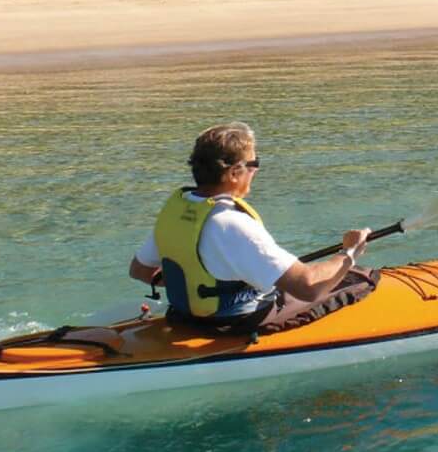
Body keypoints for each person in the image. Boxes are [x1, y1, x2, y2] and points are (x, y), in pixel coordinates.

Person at [130, 122, 376, 333]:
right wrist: (350, 253)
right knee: (362, 279)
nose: (256, 170)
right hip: (233, 324)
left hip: (184, 317)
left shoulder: (178, 212)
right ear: (235, 173)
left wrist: (187, 284)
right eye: (253, 163)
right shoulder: (232, 223)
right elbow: (308, 287)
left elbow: (140, 270)